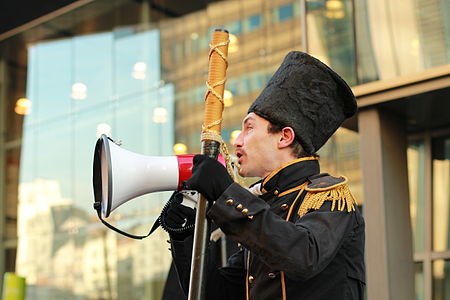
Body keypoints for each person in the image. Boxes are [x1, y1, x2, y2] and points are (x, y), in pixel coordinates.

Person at [161, 51, 365, 300]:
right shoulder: (262, 209)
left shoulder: (329, 197)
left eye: (249, 128)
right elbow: (219, 294)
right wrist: (186, 235)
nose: (237, 141)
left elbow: (302, 256)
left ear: (284, 137)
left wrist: (226, 191)